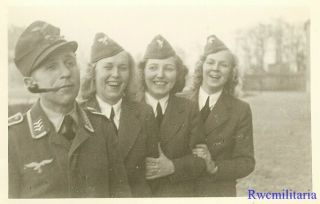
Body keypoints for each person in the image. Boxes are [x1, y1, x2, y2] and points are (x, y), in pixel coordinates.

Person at [8, 21, 131, 198]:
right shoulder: (12, 138)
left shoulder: (103, 127)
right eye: (51, 67)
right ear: (31, 84)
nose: (66, 72)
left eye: (70, 62)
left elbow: (122, 195)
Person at [80, 33, 159, 197]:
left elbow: (152, 174)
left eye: (123, 68)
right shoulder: (78, 114)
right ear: (93, 73)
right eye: (108, 67)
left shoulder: (144, 113)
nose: (116, 74)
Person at [183, 35, 255, 197]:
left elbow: (246, 162)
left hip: (218, 192)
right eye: (210, 62)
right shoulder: (178, 100)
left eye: (223, 65)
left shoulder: (240, 109)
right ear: (201, 67)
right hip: (180, 191)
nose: (215, 68)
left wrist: (214, 167)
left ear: (232, 72)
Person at [136, 35, 206, 197]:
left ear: (178, 74)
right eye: (153, 67)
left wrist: (173, 167)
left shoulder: (189, 109)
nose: (160, 75)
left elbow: (201, 160)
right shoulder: (126, 108)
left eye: (168, 68)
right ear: (142, 72)